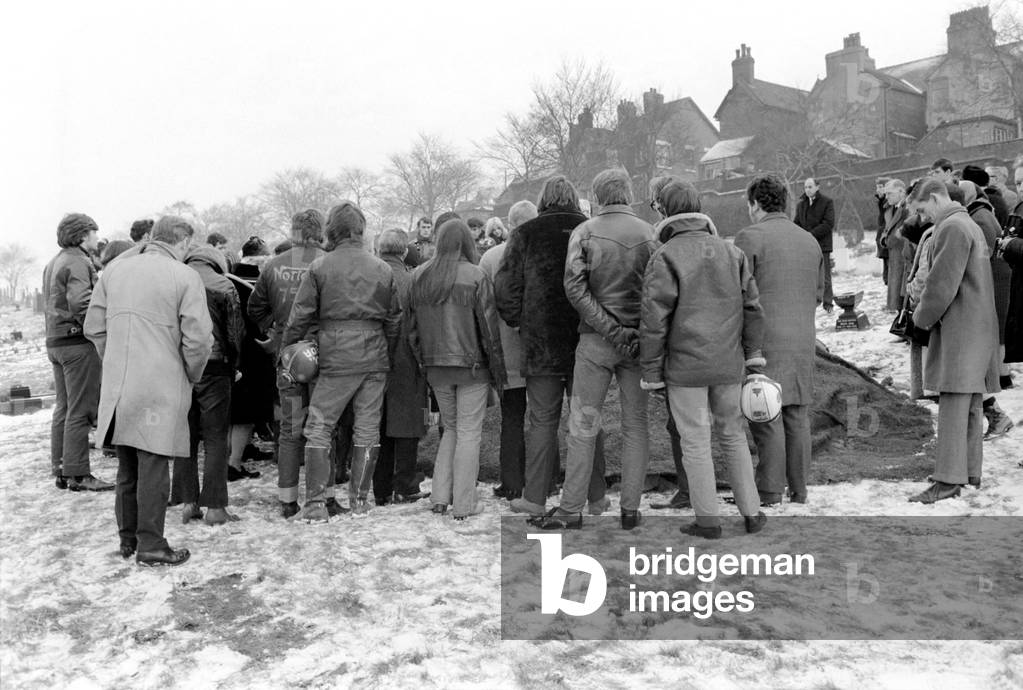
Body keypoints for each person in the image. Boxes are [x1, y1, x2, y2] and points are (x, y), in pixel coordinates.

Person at [640, 180, 767, 538]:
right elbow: (752, 308)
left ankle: (708, 520)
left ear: (665, 211)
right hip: (728, 365)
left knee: (695, 440)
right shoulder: (731, 253)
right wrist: (753, 353)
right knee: (734, 435)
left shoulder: (663, 257)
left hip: (685, 370)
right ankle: (752, 514)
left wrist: (651, 370)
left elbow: (654, 321)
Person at [84, 215, 213, 566]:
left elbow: (93, 327)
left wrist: (114, 361)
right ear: (183, 242)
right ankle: (152, 544)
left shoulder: (113, 271)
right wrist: (190, 373)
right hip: (160, 384)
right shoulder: (185, 277)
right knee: (154, 465)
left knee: (128, 465)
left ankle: (128, 539)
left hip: (119, 384)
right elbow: (199, 339)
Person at [533, 168, 656, 531]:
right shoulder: (650, 234)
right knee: (636, 425)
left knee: (584, 423)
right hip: (638, 344)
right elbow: (659, 292)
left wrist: (609, 329)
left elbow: (575, 288)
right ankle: (631, 509)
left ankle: (571, 509)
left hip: (595, 341)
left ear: (598, 196)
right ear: (628, 193)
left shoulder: (584, 232)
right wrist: (632, 332)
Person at [281, 201, 401, 520]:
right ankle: (360, 501)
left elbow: (301, 315)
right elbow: (394, 319)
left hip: (335, 356)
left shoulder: (320, 267)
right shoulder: (382, 268)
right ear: (360, 231)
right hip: (374, 356)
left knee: (319, 427)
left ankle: (317, 503)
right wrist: (383, 351)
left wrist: (286, 350)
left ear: (332, 230)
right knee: (367, 429)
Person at [495, 176, 598, 517]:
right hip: (585, 337)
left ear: (542, 200)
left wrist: (520, 321)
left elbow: (506, 290)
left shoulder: (524, 234)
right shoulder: (590, 229)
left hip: (541, 342)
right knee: (586, 418)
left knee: (541, 421)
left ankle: (535, 497)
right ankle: (595, 495)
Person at [908, 179, 1001, 503]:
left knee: (952, 405)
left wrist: (918, 318)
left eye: (922, 209)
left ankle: (947, 480)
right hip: (978, 326)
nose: (923, 218)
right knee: (972, 405)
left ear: (935, 198)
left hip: (961, 330)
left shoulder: (950, 228)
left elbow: (940, 286)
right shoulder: (969, 224)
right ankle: (969, 472)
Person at [734, 175, 824, 506]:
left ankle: (770, 491)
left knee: (765, 412)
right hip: (802, 338)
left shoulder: (748, 237)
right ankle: (799, 491)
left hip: (762, 340)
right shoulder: (810, 241)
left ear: (756, 204)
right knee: (797, 416)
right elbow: (818, 293)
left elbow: (736, 293)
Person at [408, 219, 505, 519]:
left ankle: (440, 497)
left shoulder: (419, 276)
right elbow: (489, 330)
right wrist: (497, 372)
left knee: (450, 429)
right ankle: (463, 503)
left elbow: (411, 331)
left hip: (436, 368)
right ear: (466, 241)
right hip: (471, 367)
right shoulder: (475, 276)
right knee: (468, 433)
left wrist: (424, 365)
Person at [248, 209, 332, 517]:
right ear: (320, 230)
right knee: (323, 425)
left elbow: (254, 309)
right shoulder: (329, 262)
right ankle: (324, 495)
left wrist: (275, 331)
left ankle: (287, 500)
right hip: (325, 353)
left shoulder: (274, 265)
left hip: (289, 354)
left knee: (291, 428)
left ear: (293, 230)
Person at [172, 244, 245, 525]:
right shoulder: (224, 285)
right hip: (216, 367)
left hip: (180, 368)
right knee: (215, 437)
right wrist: (235, 364)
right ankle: (215, 506)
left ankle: (188, 501)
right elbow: (235, 332)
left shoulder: (175, 280)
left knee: (185, 436)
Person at [43, 213, 113, 491]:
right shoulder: (78, 262)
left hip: (55, 342)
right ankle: (79, 474)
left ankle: (61, 468)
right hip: (76, 344)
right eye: (94, 233)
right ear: (83, 235)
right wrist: (98, 333)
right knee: (80, 409)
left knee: (63, 406)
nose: (97, 238)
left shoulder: (53, 262)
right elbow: (82, 303)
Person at [479, 201, 535, 500]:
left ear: (510, 224)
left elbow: (485, 309)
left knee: (511, 419)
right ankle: (544, 480)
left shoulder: (490, 257)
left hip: (505, 350)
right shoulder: (543, 255)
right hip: (539, 352)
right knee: (543, 418)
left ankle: (512, 482)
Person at [372, 229, 430, 505]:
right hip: (407, 358)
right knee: (407, 424)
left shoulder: (368, 279)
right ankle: (405, 484)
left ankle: (380, 487)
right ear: (404, 251)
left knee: (378, 423)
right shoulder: (412, 281)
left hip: (372, 358)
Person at [645, 175, 691, 510]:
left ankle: (691, 491)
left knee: (681, 425)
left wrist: (653, 366)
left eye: (655, 204)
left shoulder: (665, 246)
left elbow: (657, 311)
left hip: (681, 346)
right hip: (714, 346)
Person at [959, 181, 1014, 438]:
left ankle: (995, 415)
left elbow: (983, 256)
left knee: (971, 364)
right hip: (984, 290)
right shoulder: (979, 213)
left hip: (983, 291)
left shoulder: (978, 217)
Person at [228, 236, 274, 480]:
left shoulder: (225, 280)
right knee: (246, 413)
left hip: (230, 354)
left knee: (233, 411)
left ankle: (236, 454)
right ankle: (234, 462)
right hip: (255, 353)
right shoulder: (259, 282)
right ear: (260, 259)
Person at [794, 177, 835, 313]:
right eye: (805, 187)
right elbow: (796, 224)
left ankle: (828, 303)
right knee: (808, 275)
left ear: (817, 187)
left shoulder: (827, 202)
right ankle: (811, 301)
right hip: (806, 246)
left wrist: (811, 234)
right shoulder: (801, 205)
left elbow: (828, 223)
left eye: (810, 187)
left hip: (822, 245)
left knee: (825, 276)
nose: (807, 190)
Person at [880, 179, 911, 312]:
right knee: (896, 289)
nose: (886, 197)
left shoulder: (907, 208)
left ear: (901, 192)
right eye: (886, 194)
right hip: (893, 253)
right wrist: (883, 239)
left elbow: (902, 230)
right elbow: (886, 228)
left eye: (890, 193)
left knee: (902, 292)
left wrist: (888, 240)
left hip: (903, 252)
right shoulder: (890, 208)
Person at [874, 177, 892, 286]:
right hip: (883, 242)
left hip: (888, 242)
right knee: (886, 275)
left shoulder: (889, 203)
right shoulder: (882, 203)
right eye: (877, 187)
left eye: (881, 187)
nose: (878, 190)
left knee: (889, 275)